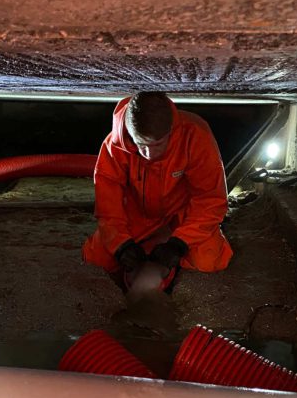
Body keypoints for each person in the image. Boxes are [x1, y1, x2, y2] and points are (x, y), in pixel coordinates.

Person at [82, 92, 233, 289]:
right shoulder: (113, 146)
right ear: (129, 133)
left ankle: (167, 237)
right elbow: (108, 207)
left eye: (158, 144)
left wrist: (179, 243)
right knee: (97, 258)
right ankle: (154, 239)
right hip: (138, 213)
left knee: (209, 260)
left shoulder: (196, 136)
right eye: (141, 145)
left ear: (171, 130)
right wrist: (121, 245)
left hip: (182, 213)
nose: (149, 155)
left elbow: (211, 200)